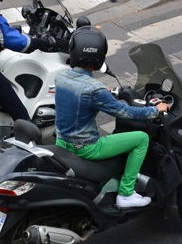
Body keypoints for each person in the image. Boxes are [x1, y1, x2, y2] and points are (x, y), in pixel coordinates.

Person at [54, 26, 169, 208]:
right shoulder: (94, 89)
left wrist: (106, 93)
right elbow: (126, 112)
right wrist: (156, 110)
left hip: (62, 142)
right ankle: (126, 194)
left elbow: (79, 96)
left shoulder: (61, 78)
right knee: (141, 138)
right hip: (86, 148)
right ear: (99, 57)